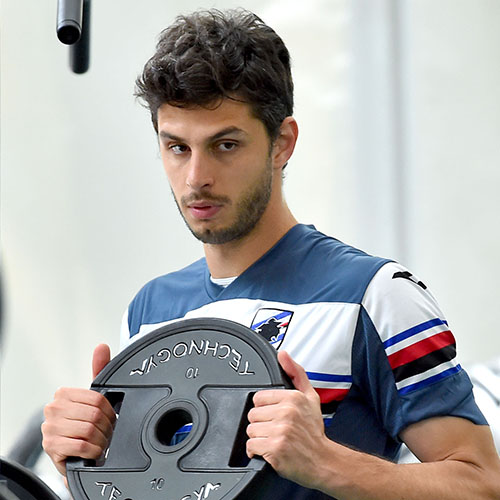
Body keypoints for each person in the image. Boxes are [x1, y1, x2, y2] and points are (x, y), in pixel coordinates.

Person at [42, 8, 500, 499]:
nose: (196, 177)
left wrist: (325, 463)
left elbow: (481, 483)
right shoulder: (150, 310)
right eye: (177, 147)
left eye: (225, 145)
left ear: (282, 143)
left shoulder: (375, 296)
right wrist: (86, 464)